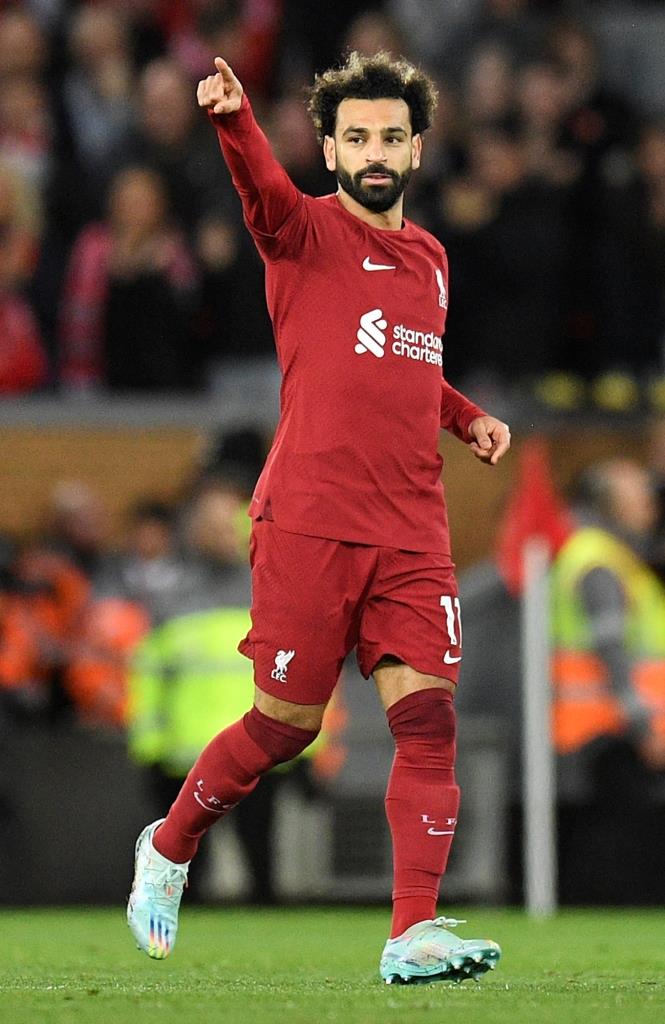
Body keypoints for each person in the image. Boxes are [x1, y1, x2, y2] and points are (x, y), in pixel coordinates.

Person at [127, 50, 510, 984]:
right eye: (354, 137)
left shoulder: (431, 258)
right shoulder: (299, 231)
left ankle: (410, 932)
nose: (372, 152)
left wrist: (465, 417)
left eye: (388, 136)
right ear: (330, 148)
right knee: (285, 726)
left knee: (427, 723)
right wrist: (232, 120)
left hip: (413, 526)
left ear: (416, 148)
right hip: (309, 520)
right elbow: (259, 184)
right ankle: (169, 847)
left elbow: (405, 363)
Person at [551, 458, 665, 903]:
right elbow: (612, 650)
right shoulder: (601, 562)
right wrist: (645, 727)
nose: (651, 508)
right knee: (619, 842)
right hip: (610, 728)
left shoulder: (604, 557)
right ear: (612, 506)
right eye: (640, 499)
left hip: (608, 727)